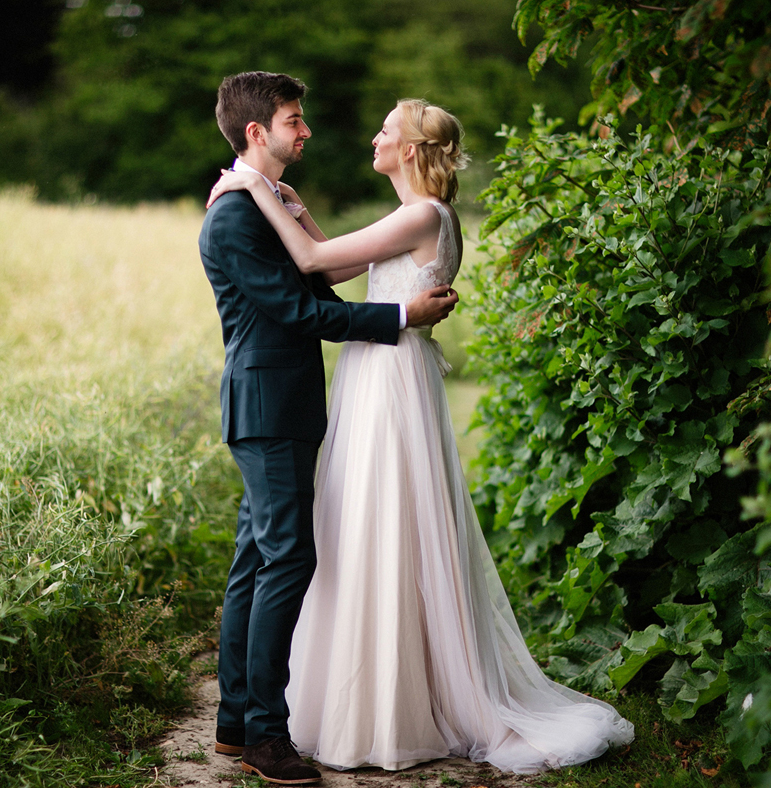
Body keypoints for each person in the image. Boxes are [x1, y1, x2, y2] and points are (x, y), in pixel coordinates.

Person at [206, 98, 635, 774]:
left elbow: (314, 260)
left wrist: (258, 187)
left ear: (409, 150)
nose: (371, 137)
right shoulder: (420, 216)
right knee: (362, 527)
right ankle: (309, 704)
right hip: (384, 372)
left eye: (384, 131)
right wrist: (289, 203)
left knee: (381, 524)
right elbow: (333, 266)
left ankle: (384, 696)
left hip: (390, 378)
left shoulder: (422, 214)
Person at [198, 72, 459, 786]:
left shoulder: (266, 205)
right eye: (293, 119)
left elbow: (318, 279)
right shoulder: (234, 217)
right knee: (287, 560)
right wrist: (403, 317)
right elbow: (306, 314)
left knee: (259, 558)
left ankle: (234, 724)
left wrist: (289, 205)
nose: (305, 129)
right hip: (267, 407)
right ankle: (264, 736)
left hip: (286, 407)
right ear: (259, 131)